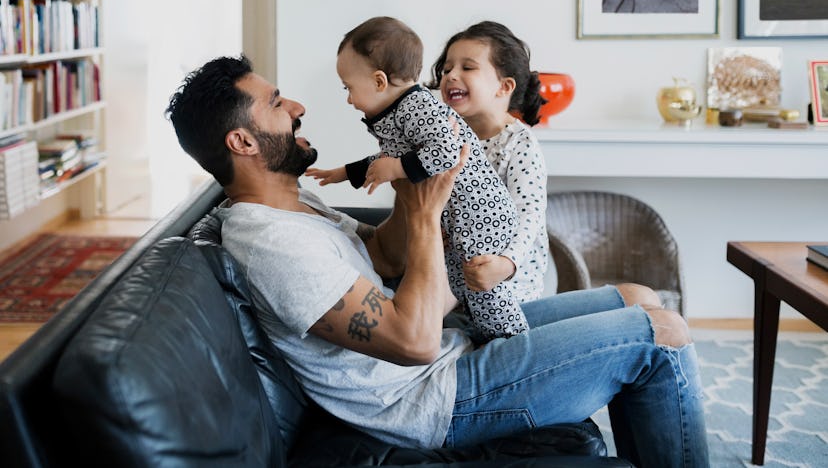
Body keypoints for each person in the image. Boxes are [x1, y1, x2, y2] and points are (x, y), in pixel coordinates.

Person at [165, 54, 710, 467]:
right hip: (429, 400)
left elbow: (382, 254)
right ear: (243, 141)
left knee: (641, 297)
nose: (298, 108)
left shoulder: (296, 202)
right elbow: (413, 342)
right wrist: (428, 218)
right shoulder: (269, 241)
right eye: (278, 104)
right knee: (662, 335)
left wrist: (415, 172)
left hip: (452, 356)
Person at [305, 16, 528, 341]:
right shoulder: (398, 110)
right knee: (460, 285)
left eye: (349, 88)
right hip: (457, 222)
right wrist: (343, 173)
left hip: (481, 217)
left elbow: (448, 152)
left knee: (484, 291)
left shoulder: (417, 107)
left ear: (380, 81)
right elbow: (392, 158)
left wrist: (395, 170)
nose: (349, 99)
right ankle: (484, 337)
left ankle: (512, 342)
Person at [430, 20, 552, 302]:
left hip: (510, 290)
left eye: (467, 68)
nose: (451, 76)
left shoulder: (518, 143)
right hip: (452, 285)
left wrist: (507, 263)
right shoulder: (444, 138)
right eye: (447, 69)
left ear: (504, 86)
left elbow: (529, 214)